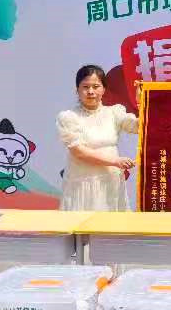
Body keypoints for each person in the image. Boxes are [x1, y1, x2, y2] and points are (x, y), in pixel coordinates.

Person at [56, 65, 139, 211]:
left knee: (112, 223)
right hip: (82, 184)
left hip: (111, 182)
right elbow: (79, 152)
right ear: (77, 90)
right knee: (82, 222)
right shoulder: (68, 117)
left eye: (96, 86)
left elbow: (138, 127)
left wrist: (142, 103)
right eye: (85, 87)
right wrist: (115, 161)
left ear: (104, 89)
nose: (91, 91)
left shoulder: (114, 112)